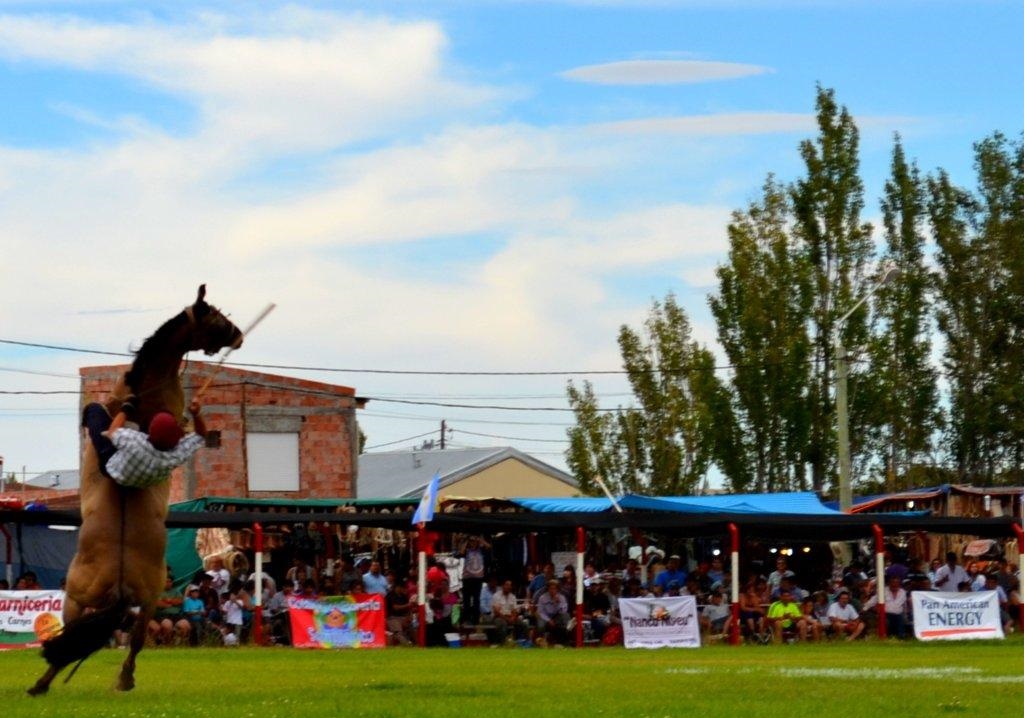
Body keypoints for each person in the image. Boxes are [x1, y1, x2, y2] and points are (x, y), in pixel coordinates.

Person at [82, 396, 207, 488]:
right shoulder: (176, 454)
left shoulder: (135, 441)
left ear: (150, 432)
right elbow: (201, 435)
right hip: (145, 481)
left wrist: (127, 407)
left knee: (94, 409)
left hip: (112, 469)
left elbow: (112, 432)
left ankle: (87, 422)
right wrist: (196, 414)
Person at [863, 574, 909, 639]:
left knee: (901, 620)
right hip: (887, 614)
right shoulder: (883, 591)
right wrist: (865, 608)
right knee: (887, 621)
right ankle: (887, 637)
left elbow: (904, 605)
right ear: (889, 583)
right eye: (893, 582)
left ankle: (901, 637)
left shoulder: (903, 592)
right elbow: (874, 600)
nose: (895, 584)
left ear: (899, 584)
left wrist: (906, 614)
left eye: (897, 583)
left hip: (898, 614)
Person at [535, 579, 570, 646]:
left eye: (554, 589)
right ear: (548, 589)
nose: (552, 590)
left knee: (565, 617)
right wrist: (549, 620)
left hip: (557, 617)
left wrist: (557, 603)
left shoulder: (562, 598)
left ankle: (563, 641)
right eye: (551, 588)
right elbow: (540, 612)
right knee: (540, 625)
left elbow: (563, 611)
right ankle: (540, 641)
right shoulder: (542, 598)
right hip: (545, 617)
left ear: (557, 589)